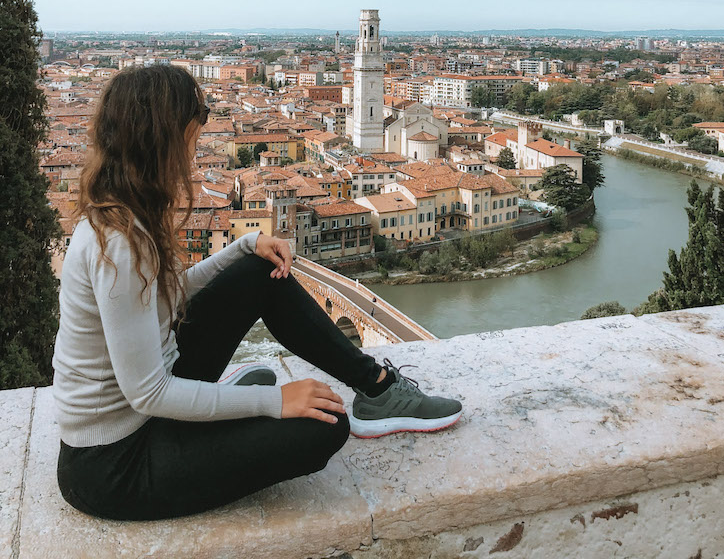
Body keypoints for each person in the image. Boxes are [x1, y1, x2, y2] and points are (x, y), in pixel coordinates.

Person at [53, 66, 462, 521]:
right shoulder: (118, 244)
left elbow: (167, 299)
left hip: (148, 413)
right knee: (326, 428)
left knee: (258, 271)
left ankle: (378, 389)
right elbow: (148, 394)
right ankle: (238, 407)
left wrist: (244, 248)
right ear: (163, 138)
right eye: (195, 124)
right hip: (114, 463)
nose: (199, 138)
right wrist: (275, 403)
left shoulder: (131, 215)